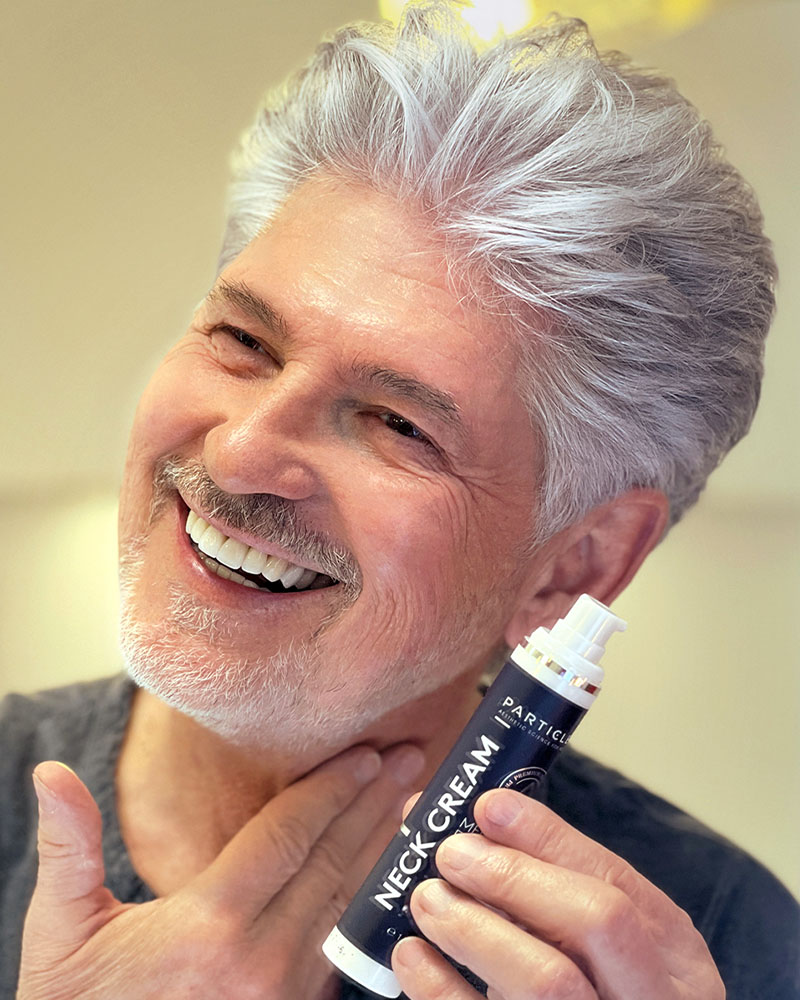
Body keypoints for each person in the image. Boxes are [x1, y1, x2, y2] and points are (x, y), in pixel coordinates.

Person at [2, 4, 798, 998]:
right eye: (243, 342)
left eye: (394, 422)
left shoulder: (717, 945)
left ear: (577, 565)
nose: (244, 451)